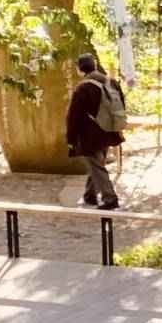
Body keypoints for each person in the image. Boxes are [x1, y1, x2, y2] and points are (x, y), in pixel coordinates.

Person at [65, 52, 125, 210]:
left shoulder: (83, 87)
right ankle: (89, 195)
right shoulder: (111, 82)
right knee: (97, 163)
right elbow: (122, 104)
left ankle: (110, 198)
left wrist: (71, 139)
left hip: (90, 135)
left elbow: (73, 116)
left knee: (96, 166)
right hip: (109, 130)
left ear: (80, 69)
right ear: (95, 65)